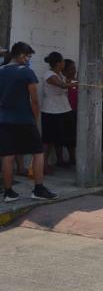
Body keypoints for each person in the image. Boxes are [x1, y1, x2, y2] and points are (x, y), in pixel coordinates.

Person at [0, 42, 58, 202]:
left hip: (4, 119)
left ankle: (8, 192)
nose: (29, 60)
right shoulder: (26, 72)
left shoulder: (1, 71)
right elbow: (34, 100)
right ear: (21, 55)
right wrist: (35, 119)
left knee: (7, 156)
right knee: (38, 153)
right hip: (24, 120)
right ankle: (38, 189)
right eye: (29, 57)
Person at [40, 51, 74, 174]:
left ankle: (57, 161)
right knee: (48, 140)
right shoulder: (49, 74)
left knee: (58, 138)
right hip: (51, 110)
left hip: (63, 109)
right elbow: (62, 85)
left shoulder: (59, 74)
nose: (64, 63)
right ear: (58, 63)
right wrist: (73, 84)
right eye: (63, 61)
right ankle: (43, 165)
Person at [62, 59, 79, 166]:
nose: (74, 70)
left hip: (76, 111)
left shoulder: (76, 81)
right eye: (71, 68)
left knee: (73, 137)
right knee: (65, 136)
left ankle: (73, 158)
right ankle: (62, 159)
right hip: (65, 111)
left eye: (74, 68)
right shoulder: (62, 81)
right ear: (64, 70)